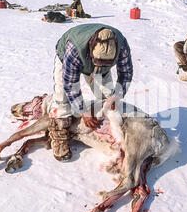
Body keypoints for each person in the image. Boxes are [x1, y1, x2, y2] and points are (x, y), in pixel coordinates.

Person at [48, 24, 133, 162]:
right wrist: (84, 111)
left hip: (95, 60)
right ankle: (59, 136)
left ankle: (110, 129)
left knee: (107, 96)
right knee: (62, 97)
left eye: (105, 64)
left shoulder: (122, 46)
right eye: (97, 62)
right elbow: (70, 84)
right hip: (68, 56)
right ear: (91, 48)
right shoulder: (73, 49)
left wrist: (116, 96)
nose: (98, 67)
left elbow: (126, 73)